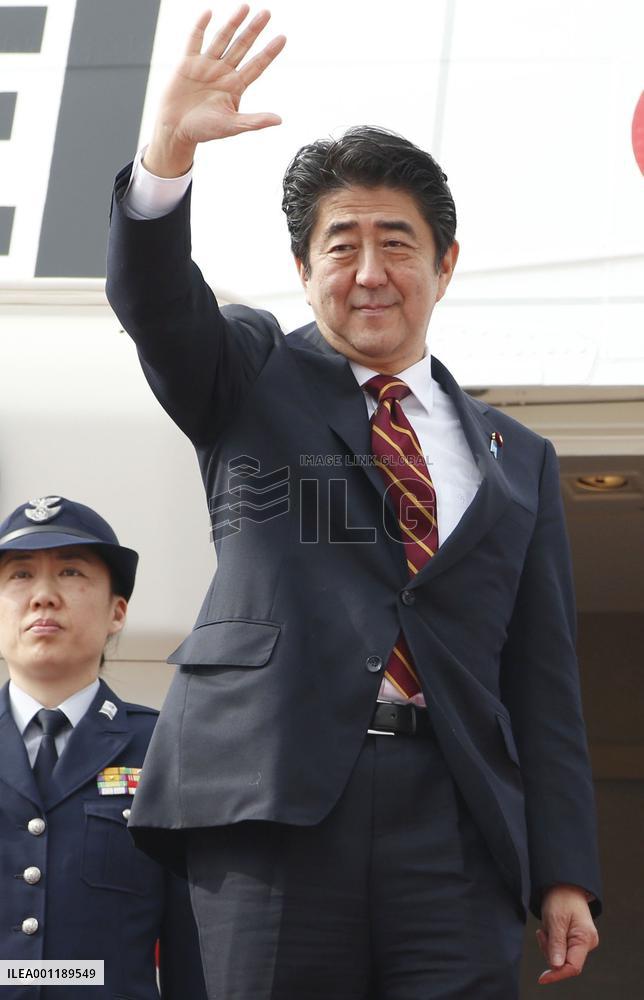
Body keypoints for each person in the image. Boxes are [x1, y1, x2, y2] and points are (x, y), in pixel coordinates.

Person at [105, 7, 602, 999]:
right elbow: (156, 302)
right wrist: (164, 155)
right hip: (274, 808)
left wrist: (563, 869)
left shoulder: (519, 457)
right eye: (340, 246)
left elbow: (540, 681)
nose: (368, 273)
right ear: (302, 268)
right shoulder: (244, 375)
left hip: (454, 826)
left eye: (396, 243)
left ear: (444, 263)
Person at [0, 496, 207, 999]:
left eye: (71, 572)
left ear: (118, 612)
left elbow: (193, 948)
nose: (43, 596)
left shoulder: (166, 748)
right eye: (20, 576)